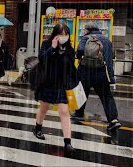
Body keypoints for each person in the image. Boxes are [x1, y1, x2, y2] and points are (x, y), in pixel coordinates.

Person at [33, 24, 77, 153]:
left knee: (64, 112)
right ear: (55, 34)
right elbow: (41, 59)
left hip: (62, 85)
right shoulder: (46, 44)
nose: (63, 37)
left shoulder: (69, 49)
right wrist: (52, 48)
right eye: (61, 34)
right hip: (47, 83)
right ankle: (38, 127)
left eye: (66, 34)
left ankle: (67, 142)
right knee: (44, 108)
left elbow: (70, 67)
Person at [72, 22, 121, 130]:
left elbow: (79, 51)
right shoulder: (107, 41)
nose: (84, 31)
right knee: (107, 97)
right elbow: (109, 60)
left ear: (88, 30)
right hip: (101, 74)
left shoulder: (85, 38)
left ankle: (79, 112)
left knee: (82, 92)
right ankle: (113, 120)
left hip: (86, 73)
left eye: (84, 30)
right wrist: (111, 78)